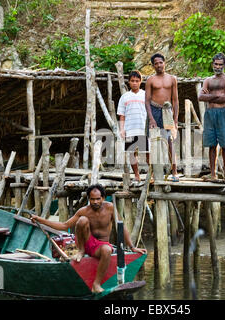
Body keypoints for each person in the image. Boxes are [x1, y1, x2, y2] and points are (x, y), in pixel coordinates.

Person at [30, 184, 147, 294]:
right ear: (89, 199)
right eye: (92, 199)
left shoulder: (110, 208)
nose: (95, 202)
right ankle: (81, 251)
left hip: (101, 245)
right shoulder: (84, 211)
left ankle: (96, 285)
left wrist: (132, 247)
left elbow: (121, 226)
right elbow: (64, 226)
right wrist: (40, 219)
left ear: (103, 198)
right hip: (86, 244)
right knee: (82, 220)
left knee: (107, 250)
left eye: (98, 199)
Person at [198, 53, 225, 181]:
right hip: (209, 113)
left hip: (222, 113)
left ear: (224, 65)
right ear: (212, 64)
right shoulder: (208, 80)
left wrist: (210, 96)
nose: (217, 67)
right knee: (211, 144)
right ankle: (213, 174)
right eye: (215, 64)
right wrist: (217, 96)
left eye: (220, 64)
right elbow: (200, 97)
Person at [145, 53, 180, 181]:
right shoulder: (150, 80)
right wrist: (151, 119)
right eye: (156, 63)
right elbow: (147, 101)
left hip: (167, 110)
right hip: (154, 110)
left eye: (161, 62)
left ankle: (174, 171)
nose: (159, 65)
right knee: (154, 143)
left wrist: (175, 118)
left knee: (170, 141)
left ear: (164, 63)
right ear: (153, 66)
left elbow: (175, 100)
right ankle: (155, 173)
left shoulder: (172, 79)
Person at [117, 70, 149, 183]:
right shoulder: (125, 97)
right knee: (132, 153)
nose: (134, 83)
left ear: (141, 82)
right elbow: (122, 115)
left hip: (144, 127)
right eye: (132, 81)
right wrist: (122, 129)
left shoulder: (146, 95)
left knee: (147, 152)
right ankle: (136, 175)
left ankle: (151, 175)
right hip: (130, 128)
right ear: (128, 82)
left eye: (137, 81)